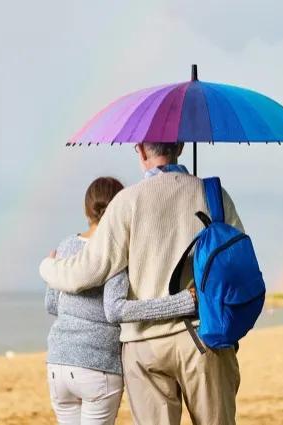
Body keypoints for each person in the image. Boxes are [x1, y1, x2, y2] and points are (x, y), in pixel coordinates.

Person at [40, 142, 243, 425]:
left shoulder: (126, 202)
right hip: (203, 337)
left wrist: (48, 267)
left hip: (143, 344)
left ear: (141, 151)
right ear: (181, 147)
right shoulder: (213, 195)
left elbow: (88, 271)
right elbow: (235, 269)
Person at [45, 176, 197, 425]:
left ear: (87, 210)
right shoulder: (114, 251)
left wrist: (50, 271)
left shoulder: (65, 246)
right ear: (120, 209)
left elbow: (52, 304)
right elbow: (115, 310)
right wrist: (181, 302)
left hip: (58, 364)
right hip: (97, 367)